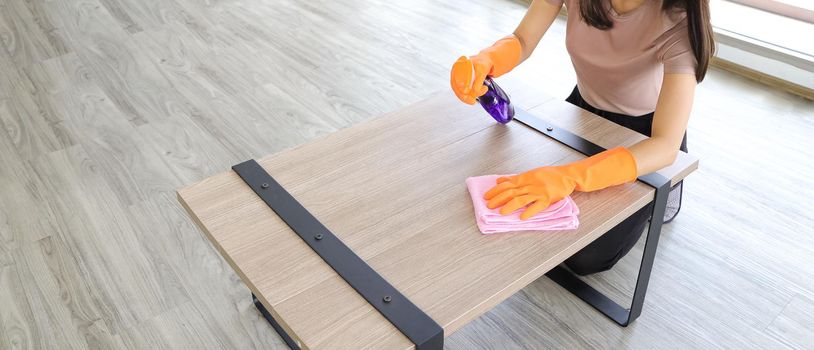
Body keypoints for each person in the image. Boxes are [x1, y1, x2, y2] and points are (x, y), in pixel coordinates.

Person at [450, 0, 714, 275]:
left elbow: (665, 146)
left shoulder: (680, 19)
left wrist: (569, 177)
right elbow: (522, 39)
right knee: (525, 216)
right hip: (583, 111)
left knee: (584, 256)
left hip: (643, 137)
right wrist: (487, 60)